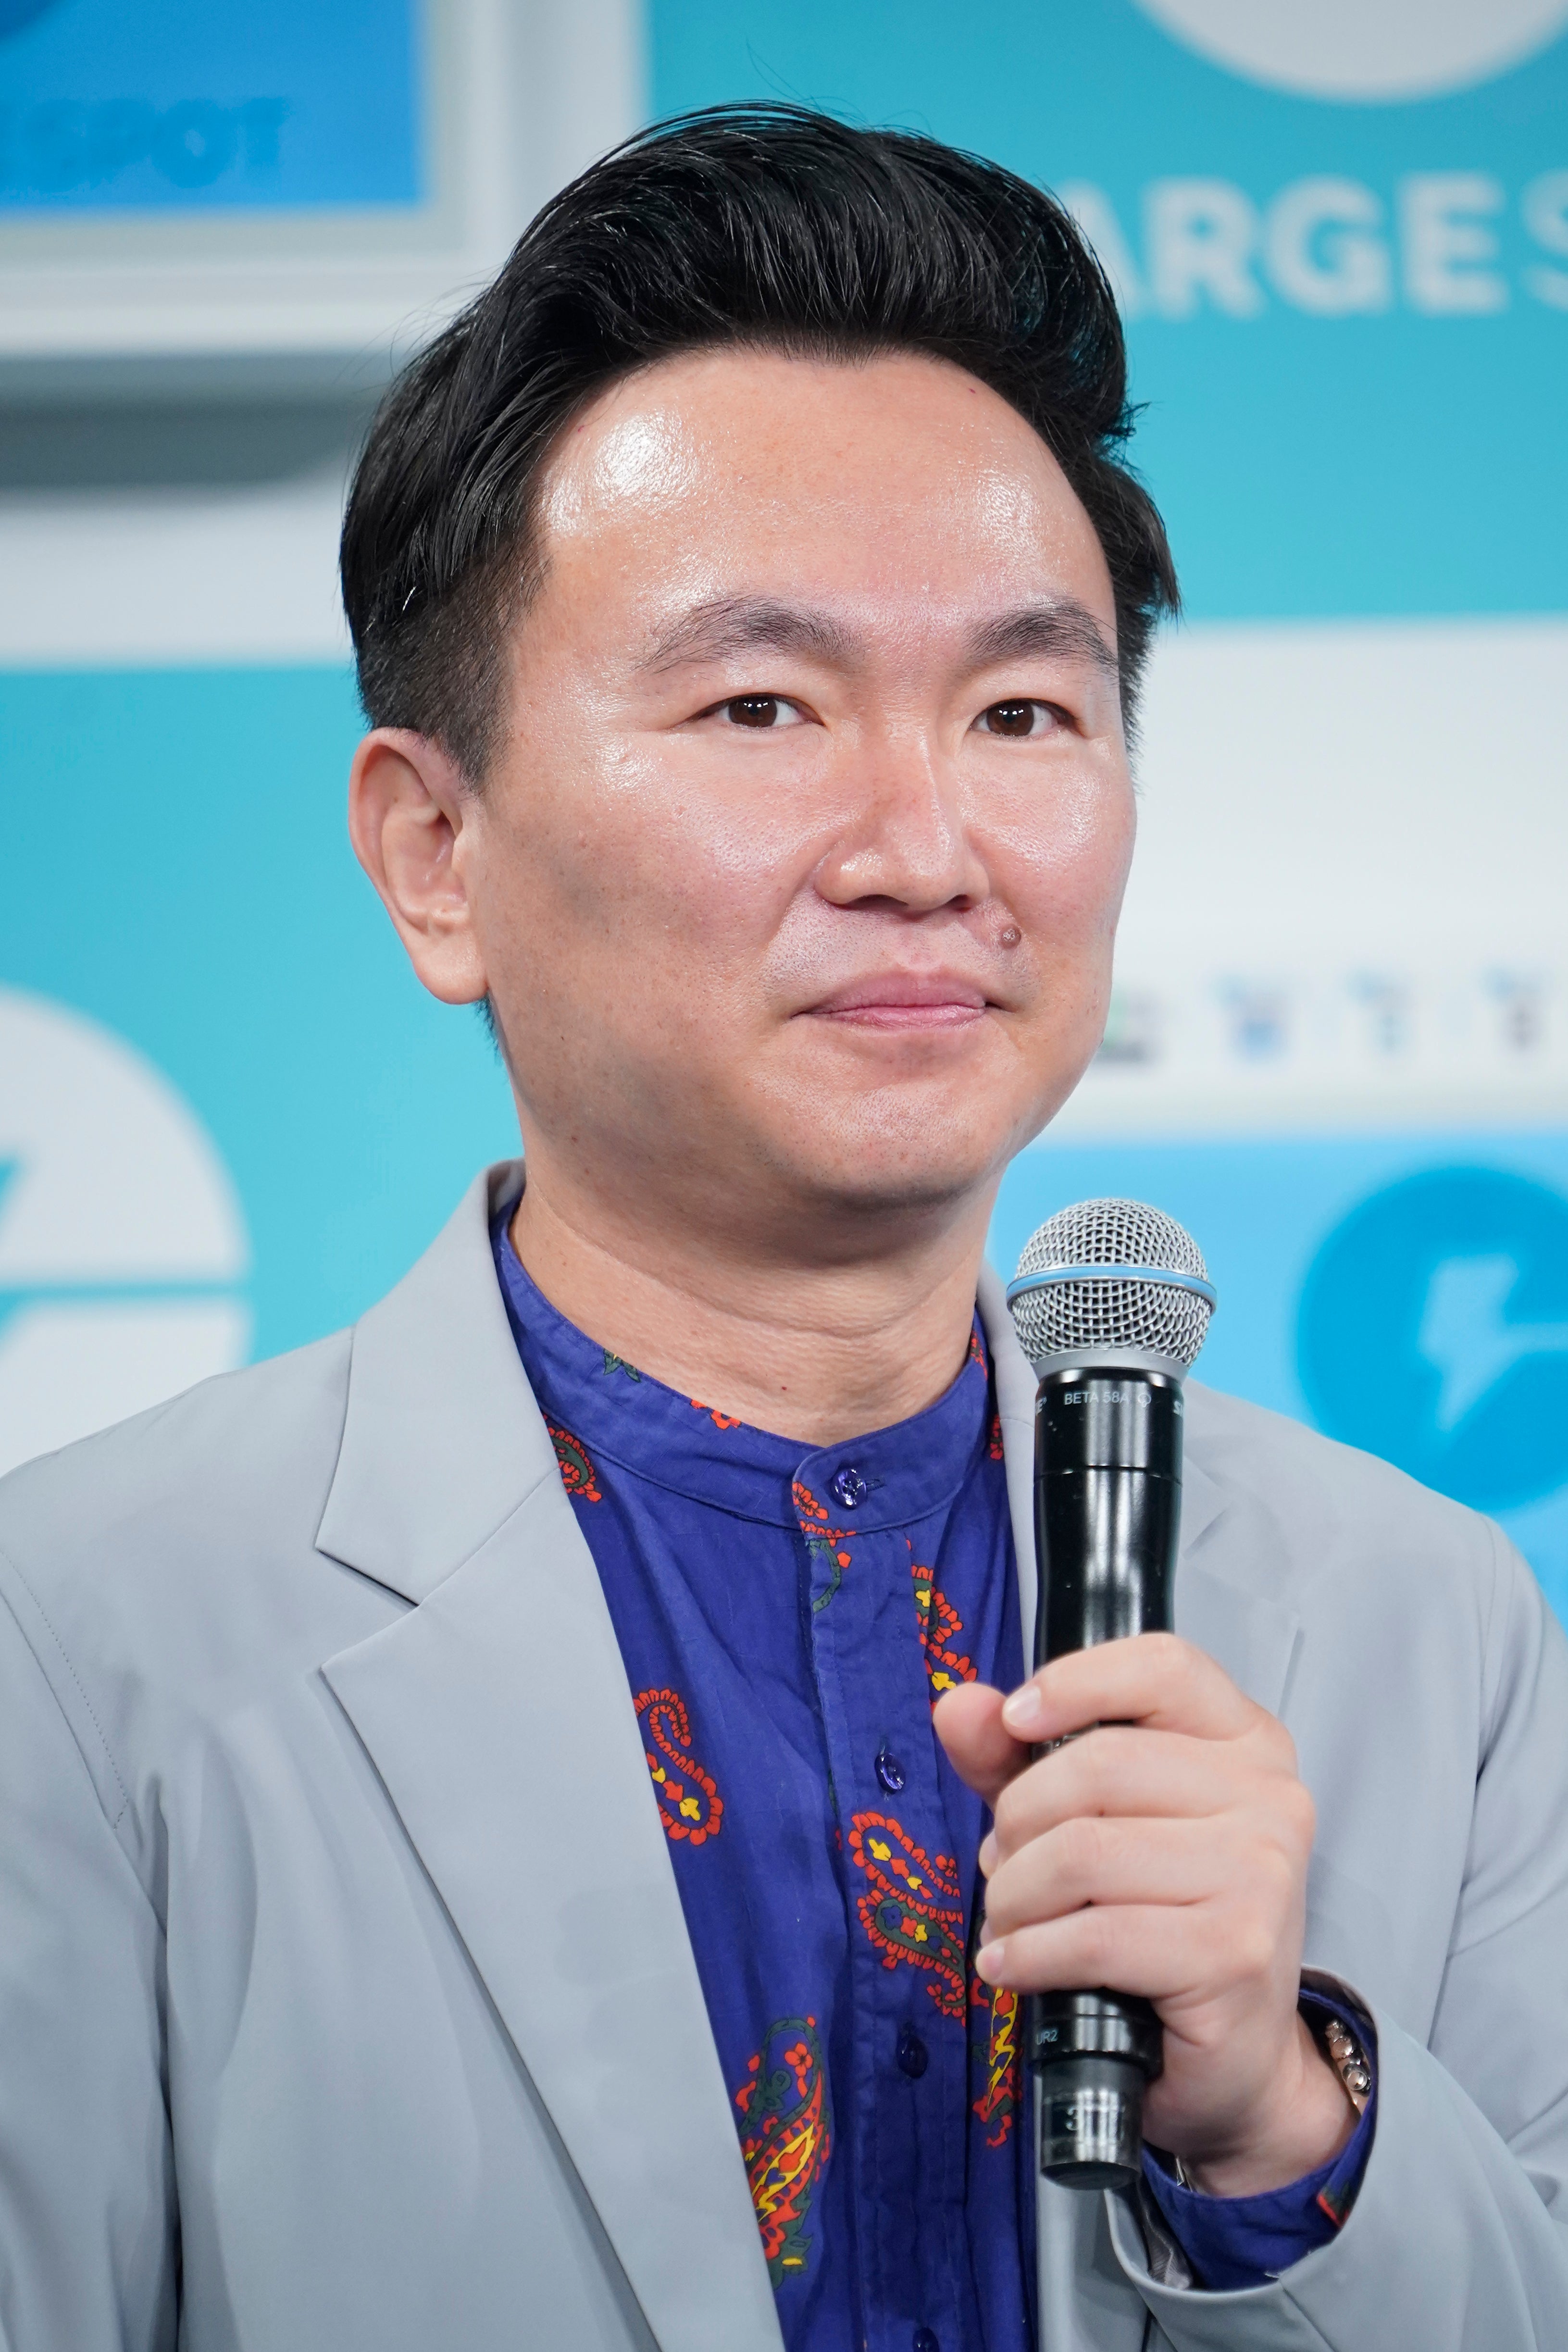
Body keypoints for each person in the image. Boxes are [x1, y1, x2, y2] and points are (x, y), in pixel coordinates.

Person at [1, 106, 1565, 2352]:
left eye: (1024, 710)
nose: (924, 848)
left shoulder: (1434, 1620)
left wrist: (1283, 2129)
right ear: (435, 854)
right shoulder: (75, 1644)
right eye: (763, 706)